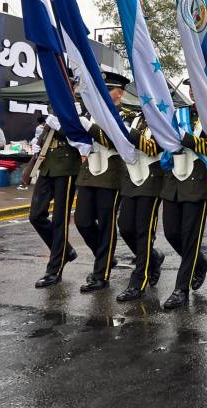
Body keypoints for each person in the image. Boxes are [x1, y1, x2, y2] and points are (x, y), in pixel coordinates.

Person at [72, 72, 130, 293]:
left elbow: (120, 143)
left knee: (106, 225)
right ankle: (105, 258)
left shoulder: (125, 116)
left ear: (120, 94)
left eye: (111, 89)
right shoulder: (91, 113)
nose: (106, 93)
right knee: (83, 221)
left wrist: (91, 128)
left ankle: (101, 274)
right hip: (89, 172)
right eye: (104, 89)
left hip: (111, 174)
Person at [160, 82, 207, 310]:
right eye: (190, 86)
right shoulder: (180, 113)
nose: (193, 90)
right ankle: (201, 262)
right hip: (174, 179)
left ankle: (181, 289)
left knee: (191, 237)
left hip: (198, 181)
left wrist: (187, 139)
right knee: (172, 232)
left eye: (197, 85)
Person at [115, 104, 166, 302]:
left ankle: (138, 281)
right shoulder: (134, 117)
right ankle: (153, 258)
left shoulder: (162, 119)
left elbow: (154, 148)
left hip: (151, 179)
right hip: (132, 178)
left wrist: (130, 133)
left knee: (143, 232)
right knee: (125, 228)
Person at [29, 111, 83, 288]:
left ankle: (54, 270)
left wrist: (58, 126)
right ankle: (65, 250)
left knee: (60, 220)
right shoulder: (54, 107)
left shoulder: (77, 107)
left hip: (66, 168)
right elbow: (47, 134)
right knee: (36, 215)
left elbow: (79, 137)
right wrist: (38, 144)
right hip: (47, 167)